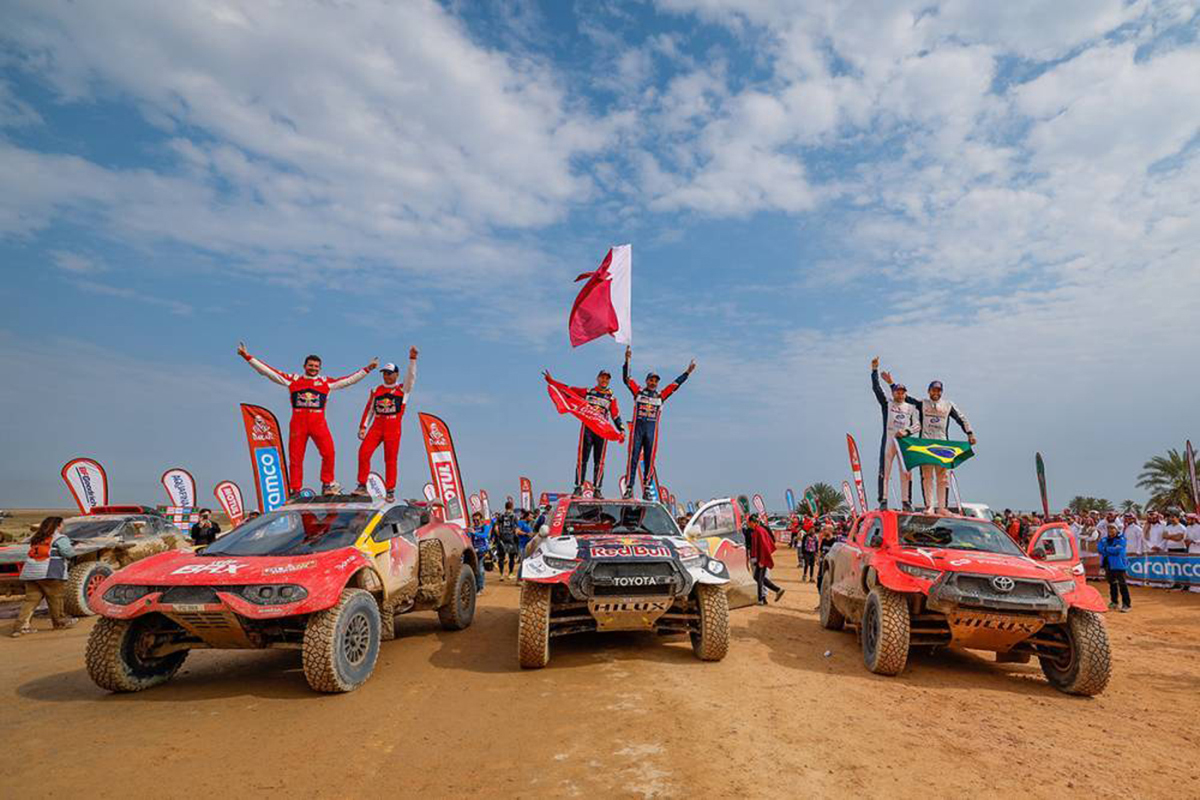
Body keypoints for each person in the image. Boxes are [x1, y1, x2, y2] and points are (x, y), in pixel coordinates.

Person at [238, 342, 377, 494]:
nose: (313, 368)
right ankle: (296, 489)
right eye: (310, 365)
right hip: (298, 425)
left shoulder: (326, 383)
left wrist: (367, 369)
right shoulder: (293, 380)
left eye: (316, 366)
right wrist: (247, 357)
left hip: (319, 424)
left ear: (320, 368)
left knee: (329, 453)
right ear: (304, 366)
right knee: (296, 458)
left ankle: (327, 484)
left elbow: (349, 380)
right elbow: (269, 372)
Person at [622, 346, 696, 500]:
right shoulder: (638, 392)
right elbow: (627, 379)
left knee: (649, 460)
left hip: (651, 433)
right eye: (651, 380)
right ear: (646, 381)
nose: (653, 382)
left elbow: (675, 385)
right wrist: (627, 359)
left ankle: (647, 488)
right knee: (633, 458)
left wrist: (687, 373)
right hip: (637, 431)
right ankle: (629, 488)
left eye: (655, 381)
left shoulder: (660, 396)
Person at [543, 369, 624, 497]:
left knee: (599, 461)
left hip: (602, 432)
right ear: (598, 378)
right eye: (602, 377)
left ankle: (597, 489)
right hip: (587, 429)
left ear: (609, 381)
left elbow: (615, 415)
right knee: (582, 459)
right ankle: (578, 487)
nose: (604, 380)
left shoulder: (611, 398)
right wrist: (552, 382)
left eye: (607, 378)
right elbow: (568, 390)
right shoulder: (588, 392)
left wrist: (621, 429)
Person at [356, 348, 418, 502]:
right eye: (384, 373)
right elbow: (369, 409)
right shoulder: (376, 390)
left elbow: (411, 377)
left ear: (396, 375)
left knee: (390, 459)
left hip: (393, 427)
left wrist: (412, 359)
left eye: (389, 373)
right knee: (363, 452)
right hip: (377, 426)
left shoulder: (403, 389)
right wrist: (363, 427)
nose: (386, 376)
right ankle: (362, 485)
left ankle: (390, 490)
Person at [909, 380, 975, 513]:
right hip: (925, 444)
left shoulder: (948, 405)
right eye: (933, 390)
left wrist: (970, 433)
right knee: (927, 477)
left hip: (943, 444)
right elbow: (906, 398)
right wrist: (891, 384)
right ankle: (929, 506)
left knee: (943, 478)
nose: (936, 392)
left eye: (939, 390)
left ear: (942, 392)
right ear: (929, 391)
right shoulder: (922, 403)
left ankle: (942, 507)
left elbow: (961, 418)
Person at [11, 516, 77, 637]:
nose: (63, 527)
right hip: (50, 573)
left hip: (31, 573)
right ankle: (60, 623)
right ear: (57, 526)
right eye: (62, 524)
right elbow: (68, 553)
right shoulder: (60, 538)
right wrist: (73, 549)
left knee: (30, 601)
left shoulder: (36, 537)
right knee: (56, 599)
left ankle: (20, 627)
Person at [871, 358, 919, 510]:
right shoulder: (887, 403)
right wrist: (874, 370)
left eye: (902, 392)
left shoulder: (911, 408)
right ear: (893, 393)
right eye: (897, 391)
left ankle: (906, 501)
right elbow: (877, 389)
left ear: (905, 394)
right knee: (885, 470)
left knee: (906, 472)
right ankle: (883, 500)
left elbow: (917, 425)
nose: (900, 394)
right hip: (889, 440)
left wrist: (906, 431)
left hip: (904, 442)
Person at [747, 515, 784, 604]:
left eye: (749, 522)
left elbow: (764, 546)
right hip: (760, 558)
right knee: (759, 577)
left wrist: (762, 561)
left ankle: (761, 599)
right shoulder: (758, 530)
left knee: (759, 578)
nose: (748, 524)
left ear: (753, 522)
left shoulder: (759, 531)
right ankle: (776, 591)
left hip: (761, 558)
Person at [1096, 520, 1131, 611]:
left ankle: (1126, 604)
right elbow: (1099, 549)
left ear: (1116, 530)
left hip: (1119, 565)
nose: (1110, 530)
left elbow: (1117, 550)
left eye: (1112, 528)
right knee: (1112, 584)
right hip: (1108, 565)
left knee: (1122, 585)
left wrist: (1106, 549)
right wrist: (1110, 549)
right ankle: (1114, 602)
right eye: (1108, 528)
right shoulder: (1104, 539)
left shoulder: (1121, 539)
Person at [491, 502, 520, 581]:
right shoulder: (514, 516)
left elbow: (496, 528)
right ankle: (510, 574)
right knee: (511, 557)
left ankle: (501, 575)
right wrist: (515, 537)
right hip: (511, 537)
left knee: (501, 557)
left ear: (505, 507)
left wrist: (499, 535)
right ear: (512, 507)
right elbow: (516, 529)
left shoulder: (501, 516)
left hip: (502, 537)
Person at [469, 512, 490, 593]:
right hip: (474, 551)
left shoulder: (485, 527)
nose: (476, 522)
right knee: (474, 570)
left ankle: (480, 588)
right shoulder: (472, 528)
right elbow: (470, 538)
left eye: (477, 520)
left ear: (481, 519)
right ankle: (476, 587)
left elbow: (484, 535)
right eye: (474, 520)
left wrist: (475, 532)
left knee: (480, 570)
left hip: (483, 551)